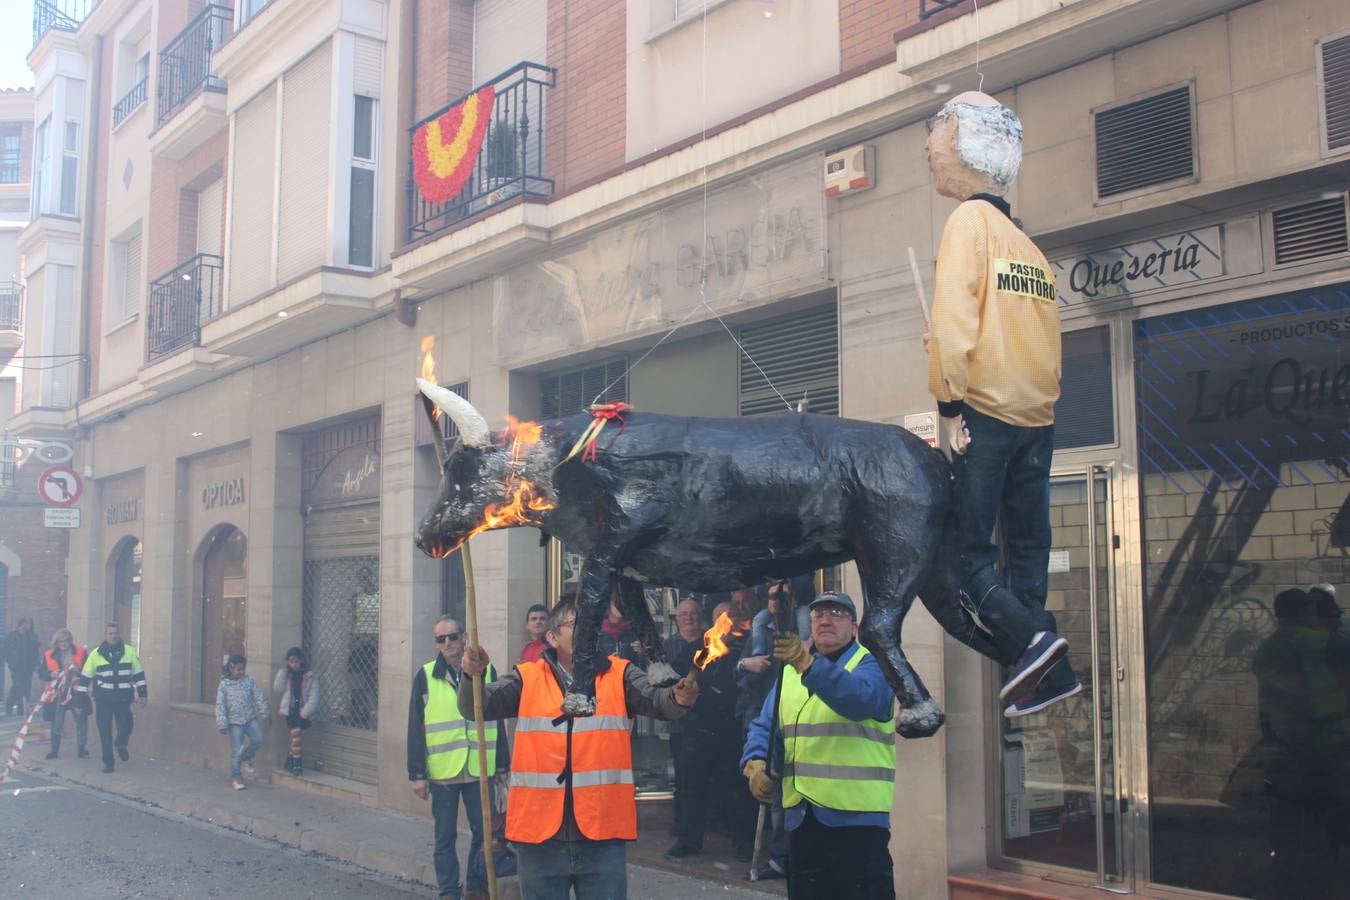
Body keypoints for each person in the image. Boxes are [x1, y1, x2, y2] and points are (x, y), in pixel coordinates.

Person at [923, 91, 1080, 716]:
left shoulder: (967, 224)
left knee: (964, 554)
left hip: (985, 412)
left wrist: (948, 405)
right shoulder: (1027, 246)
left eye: (935, 134)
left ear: (965, 140)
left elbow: (958, 325)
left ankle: (1034, 647)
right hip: (1037, 418)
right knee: (1028, 552)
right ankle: (1048, 670)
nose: (929, 149)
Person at [460, 598, 699, 899]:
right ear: (552, 636)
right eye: (574, 623)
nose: (585, 628)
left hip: (601, 835)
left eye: (589, 621)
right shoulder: (527, 677)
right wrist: (471, 676)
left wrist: (678, 699)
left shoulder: (620, 674)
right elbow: (476, 707)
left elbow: (658, 700)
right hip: (540, 837)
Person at [741, 591, 897, 900]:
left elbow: (858, 700)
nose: (825, 620)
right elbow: (766, 725)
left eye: (836, 614)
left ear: (855, 627)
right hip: (801, 821)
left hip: (857, 823)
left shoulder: (874, 665)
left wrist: (807, 664)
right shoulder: (789, 673)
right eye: (819, 614)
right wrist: (756, 762)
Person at [408, 616, 508, 900]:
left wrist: (502, 764)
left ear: (464, 637)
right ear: (436, 644)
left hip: (479, 768)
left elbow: (497, 719)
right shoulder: (426, 675)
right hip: (444, 772)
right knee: (444, 838)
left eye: (453, 636)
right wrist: (417, 774)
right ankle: (449, 892)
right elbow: (415, 727)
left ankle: (475, 887)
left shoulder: (485, 671)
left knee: (484, 834)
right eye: (442, 639)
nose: (448, 643)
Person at [77, 623, 146, 773]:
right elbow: (85, 677)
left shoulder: (129, 651)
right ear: (105, 635)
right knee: (104, 731)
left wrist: (142, 694)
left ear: (119, 634)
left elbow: (138, 674)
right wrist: (81, 699)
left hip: (123, 697)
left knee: (126, 725)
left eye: (115, 633)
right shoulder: (96, 654)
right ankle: (108, 762)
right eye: (110, 633)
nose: (113, 636)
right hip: (103, 699)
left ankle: (121, 744)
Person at [215, 654, 270, 790]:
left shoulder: (248, 681)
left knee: (258, 739)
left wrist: (265, 713)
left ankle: (247, 758)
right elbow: (220, 705)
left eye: (242, 669)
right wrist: (222, 723)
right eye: (238, 669)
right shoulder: (224, 684)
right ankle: (236, 777)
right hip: (234, 723)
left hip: (250, 719)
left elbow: (258, 696)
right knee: (237, 750)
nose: (241, 672)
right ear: (231, 668)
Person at [39, 628, 90, 759]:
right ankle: (54, 750)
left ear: (70, 640)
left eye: (65, 641)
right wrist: (51, 674)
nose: (63, 643)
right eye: (60, 641)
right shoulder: (49, 654)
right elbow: (41, 673)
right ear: (56, 642)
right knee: (56, 722)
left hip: (76, 691)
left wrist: (79, 671)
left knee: (81, 719)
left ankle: (81, 748)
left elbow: (90, 671)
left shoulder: (81, 652)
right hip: (57, 693)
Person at [273, 646, 319, 775]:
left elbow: (314, 697)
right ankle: (297, 764)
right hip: (291, 710)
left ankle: (289, 760)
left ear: (302, 661)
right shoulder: (287, 674)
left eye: (296, 661)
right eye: (291, 661)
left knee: (296, 738)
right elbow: (277, 689)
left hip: (303, 712)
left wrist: (305, 713)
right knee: (297, 736)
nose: (294, 664)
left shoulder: (310, 677)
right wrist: (283, 671)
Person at [4, 617, 41, 716]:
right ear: (21, 624)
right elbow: (5, 649)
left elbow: (37, 652)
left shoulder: (33, 636)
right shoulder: (12, 635)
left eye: (29, 624)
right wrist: (10, 662)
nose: (27, 626)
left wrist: (37, 664)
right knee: (17, 686)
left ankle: (22, 709)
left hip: (28, 667)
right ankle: (9, 705)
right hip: (16, 667)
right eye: (25, 623)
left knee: (26, 688)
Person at [596, 594, 643, 667]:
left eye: (622, 603)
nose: (620, 607)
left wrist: (641, 653)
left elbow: (641, 668)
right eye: (616, 604)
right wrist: (607, 663)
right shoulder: (598, 636)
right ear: (608, 606)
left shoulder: (632, 634)